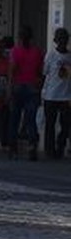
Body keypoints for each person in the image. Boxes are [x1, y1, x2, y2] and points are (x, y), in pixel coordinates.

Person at [8, 25, 45, 161]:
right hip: (32, 88)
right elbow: (41, 72)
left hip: (18, 86)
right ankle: (32, 146)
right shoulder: (37, 52)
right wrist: (39, 87)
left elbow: (12, 71)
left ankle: (13, 147)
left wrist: (9, 90)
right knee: (30, 119)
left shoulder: (15, 51)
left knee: (15, 119)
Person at [42, 27, 71, 159]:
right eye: (60, 39)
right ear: (56, 41)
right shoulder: (51, 55)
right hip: (51, 94)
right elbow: (45, 72)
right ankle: (50, 149)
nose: (62, 42)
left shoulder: (70, 56)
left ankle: (61, 146)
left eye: (64, 39)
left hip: (66, 95)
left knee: (66, 124)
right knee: (50, 124)